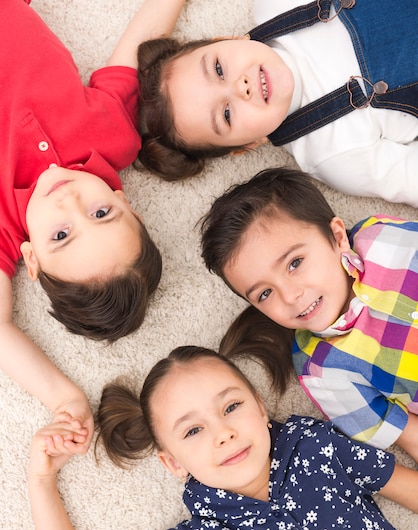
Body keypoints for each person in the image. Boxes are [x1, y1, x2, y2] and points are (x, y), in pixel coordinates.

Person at [29, 346, 418, 530]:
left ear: (260, 407)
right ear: (173, 462)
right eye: (194, 430)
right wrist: (41, 479)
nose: (224, 433)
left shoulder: (315, 447)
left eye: (231, 407)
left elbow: (406, 487)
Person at [1, 0, 185, 441]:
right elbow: (138, 44)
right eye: (101, 214)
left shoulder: (6, 230)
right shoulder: (114, 138)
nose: (70, 203)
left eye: (61, 235)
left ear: (32, 258)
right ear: (127, 203)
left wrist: (63, 397)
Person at [200, 167, 418, 464]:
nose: (290, 297)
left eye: (295, 263)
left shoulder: (382, 239)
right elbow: (410, 435)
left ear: (337, 236)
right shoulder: (322, 372)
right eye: (264, 294)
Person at [135, 0, 418, 207]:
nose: (240, 87)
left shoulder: (276, 6)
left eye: (219, 69)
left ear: (225, 39)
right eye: (226, 114)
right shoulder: (334, 156)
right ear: (250, 144)